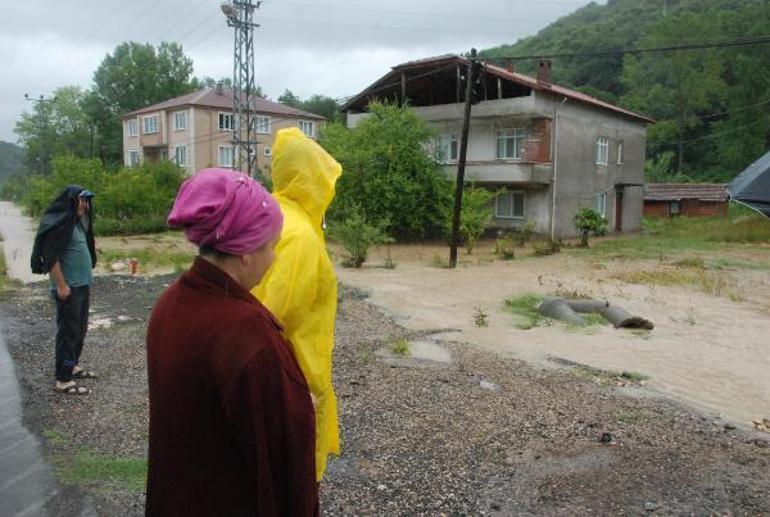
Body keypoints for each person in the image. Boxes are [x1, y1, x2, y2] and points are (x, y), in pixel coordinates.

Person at [146, 168, 318, 516]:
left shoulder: (170, 304)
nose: (274, 259)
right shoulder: (245, 331)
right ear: (245, 252)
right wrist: (301, 407)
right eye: (272, 246)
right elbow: (284, 457)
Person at [252, 127, 342, 482]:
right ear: (312, 177)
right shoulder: (300, 235)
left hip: (280, 377)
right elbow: (274, 317)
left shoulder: (273, 213)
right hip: (296, 374)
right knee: (292, 480)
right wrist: (295, 393)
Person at [31, 186, 97, 395]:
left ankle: (73, 365)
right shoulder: (60, 225)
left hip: (82, 285)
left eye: (87, 202)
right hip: (69, 288)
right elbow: (51, 258)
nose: (85, 205)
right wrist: (61, 285)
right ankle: (63, 379)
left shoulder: (76, 224)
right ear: (71, 202)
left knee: (80, 329)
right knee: (68, 333)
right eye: (81, 201)